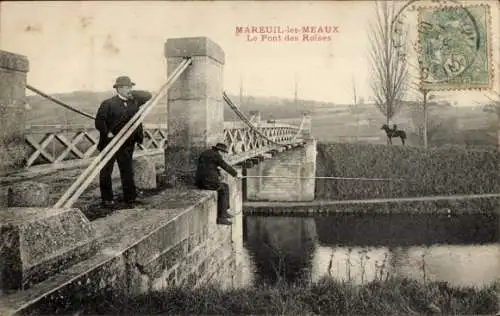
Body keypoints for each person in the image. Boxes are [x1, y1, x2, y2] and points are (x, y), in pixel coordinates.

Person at [95, 76, 152, 208]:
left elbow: (148, 95)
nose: (128, 89)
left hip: (127, 143)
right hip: (110, 142)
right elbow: (99, 121)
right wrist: (107, 133)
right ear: (118, 89)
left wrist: (133, 93)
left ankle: (130, 198)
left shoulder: (135, 101)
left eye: (130, 87)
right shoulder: (108, 103)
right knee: (106, 171)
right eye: (125, 87)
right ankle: (107, 199)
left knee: (127, 170)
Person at [195, 143, 241, 225]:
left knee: (225, 186)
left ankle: (225, 211)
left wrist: (218, 172)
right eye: (223, 152)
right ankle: (222, 217)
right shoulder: (216, 155)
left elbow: (208, 166)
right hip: (207, 182)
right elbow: (225, 166)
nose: (223, 154)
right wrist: (236, 174)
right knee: (223, 190)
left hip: (200, 181)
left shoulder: (207, 153)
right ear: (219, 150)